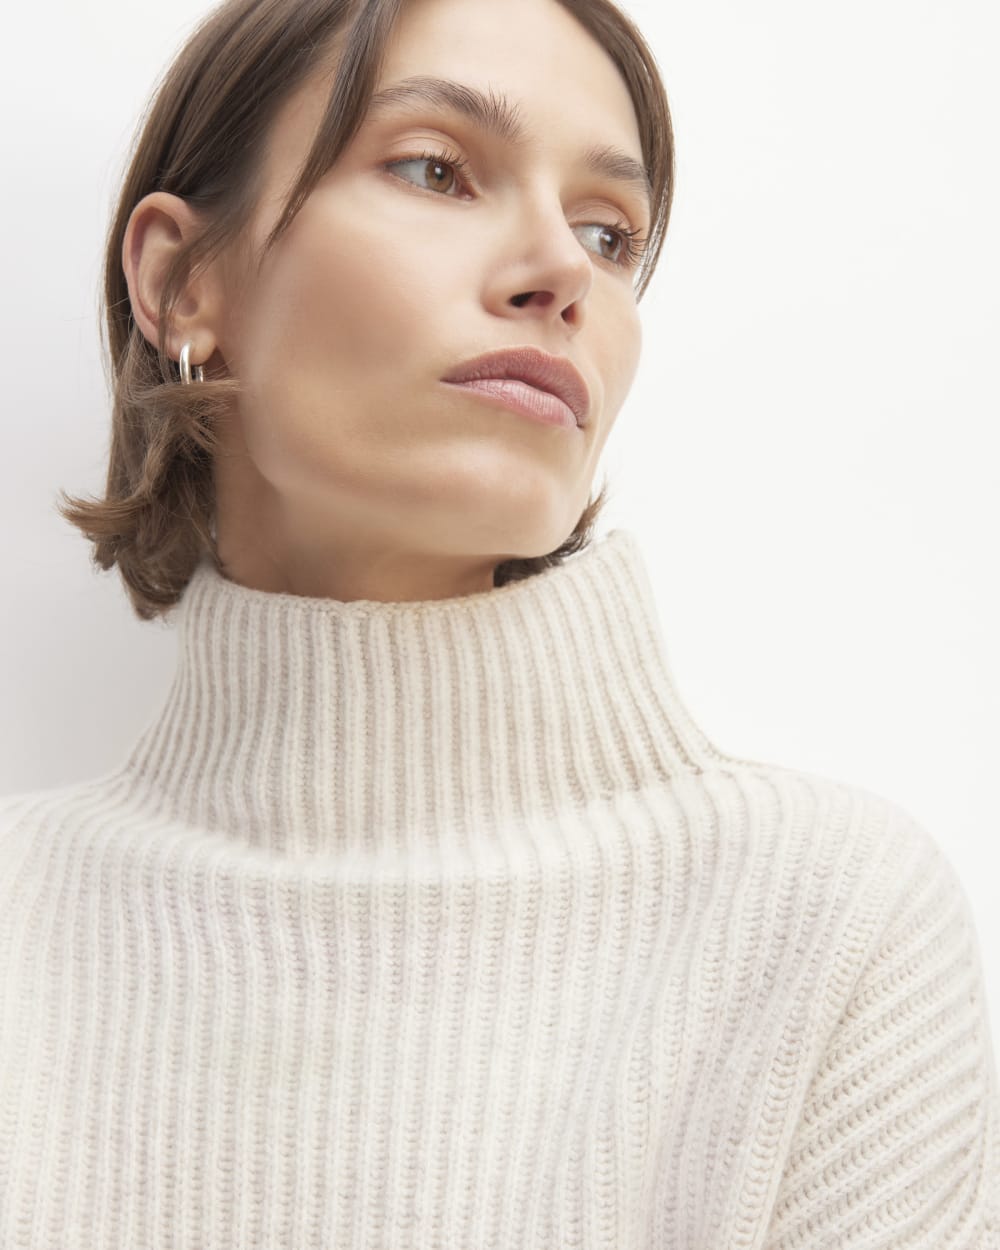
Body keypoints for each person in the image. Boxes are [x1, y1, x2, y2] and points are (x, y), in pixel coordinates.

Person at [1, 0, 997, 1244]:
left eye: (608, 231)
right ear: (180, 280)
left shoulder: (825, 919)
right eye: (437, 170)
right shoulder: (18, 916)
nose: (562, 271)